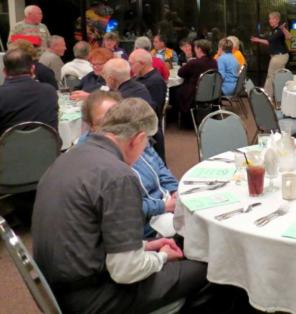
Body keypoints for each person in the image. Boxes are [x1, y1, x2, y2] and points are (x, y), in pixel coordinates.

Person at [31, 98, 216, 313]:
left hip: (61, 286)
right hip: (95, 297)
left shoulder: (69, 157)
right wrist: (163, 257)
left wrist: (145, 246)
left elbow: (88, 235)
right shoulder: (119, 176)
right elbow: (126, 271)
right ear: (138, 139)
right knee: (213, 267)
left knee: (183, 248)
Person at [80, 91, 178, 239]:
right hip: (142, 225)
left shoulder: (131, 133)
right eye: (103, 122)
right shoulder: (95, 159)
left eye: (116, 119)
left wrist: (174, 189)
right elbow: (122, 208)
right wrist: (163, 206)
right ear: (91, 126)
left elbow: (159, 166)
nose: (112, 127)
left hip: (165, 205)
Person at [0, 49, 58, 135]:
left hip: (12, 143)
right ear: (33, 68)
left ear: (4, 71)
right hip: (48, 143)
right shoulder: (49, 90)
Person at [251, 11, 290, 97]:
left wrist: (283, 29)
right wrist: (257, 40)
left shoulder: (280, 30)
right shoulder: (274, 30)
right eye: (269, 19)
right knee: (279, 76)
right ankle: (280, 96)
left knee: (271, 76)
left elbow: (289, 37)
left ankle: (266, 97)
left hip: (279, 56)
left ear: (276, 19)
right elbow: (269, 42)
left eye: (271, 19)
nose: (269, 21)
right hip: (278, 56)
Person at [178, 39, 216, 114]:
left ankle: (180, 116)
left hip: (194, 94)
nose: (194, 50)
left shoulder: (194, 62)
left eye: (195, 48)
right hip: (210, 92)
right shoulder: (214, 62)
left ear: (199, 49)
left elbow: (180, 73)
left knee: (176, 90)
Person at [129, 49, 167, 116]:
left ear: (142, 64)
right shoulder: (139, 77)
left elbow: (154, 109)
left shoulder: (155, 82)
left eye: (131, 64)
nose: (130, 67)